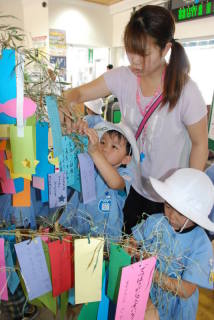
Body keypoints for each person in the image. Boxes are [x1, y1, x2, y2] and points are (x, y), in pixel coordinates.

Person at [60, 5, 208, 234]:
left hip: (169, 202)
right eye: (130, 50)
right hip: (133, 188)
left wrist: (187, 196)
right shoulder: (123, 77)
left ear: (166, 49)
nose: (135, 61)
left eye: (144, 53)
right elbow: (77, 93)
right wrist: (65, 105)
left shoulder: (186, 91)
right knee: (128, 248)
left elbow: (200, 144)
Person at [128, 168, 214, 320]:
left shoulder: (201, 246)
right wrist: (131, 247)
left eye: (181, 212)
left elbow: (186, 290)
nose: (171, 216)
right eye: (167, 206)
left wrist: (152, 274)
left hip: (176, 308)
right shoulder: (156, 221)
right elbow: (133, 241)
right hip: (147, 296)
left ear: (197, 216)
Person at [59, 121, 139, 240]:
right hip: (76, 230)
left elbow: (115, 183)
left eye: (114, 147)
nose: (105, 148)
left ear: (126, 159)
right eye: (102, 142)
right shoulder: (89, 163)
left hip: (104, 240)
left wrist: (95, 152)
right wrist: (76, 134)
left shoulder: (124, 174)